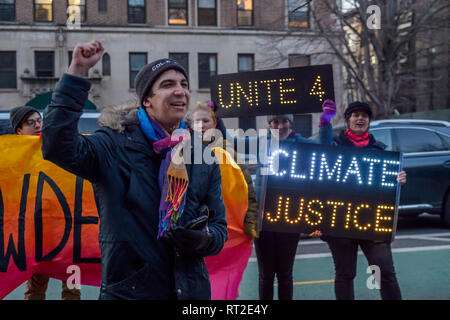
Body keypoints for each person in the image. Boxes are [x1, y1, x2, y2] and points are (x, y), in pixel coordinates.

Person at [41, 40, 227, 300]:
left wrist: (202, 238)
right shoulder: (112, 144)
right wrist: (76, 75)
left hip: (191, 293)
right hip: (130, 292)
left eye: (184, 85)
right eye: (168, 85)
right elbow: (56, 146)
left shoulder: (203, 156)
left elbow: (219, 228)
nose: (180, 91)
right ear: (147, 101)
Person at [321, 101, 406, 300]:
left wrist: (400, 180)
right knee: (345, 274)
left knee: (385, 273)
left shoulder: (381, 151)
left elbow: (389, 187)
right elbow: (321, 146)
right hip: (339, 223)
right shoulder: (333, 147)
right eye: (355, 115)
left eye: (365, 116)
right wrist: (325, 121)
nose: (360, 118)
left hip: (373, 222)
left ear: (369, 121)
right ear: (348, 120)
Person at [253, 99, 337, 300]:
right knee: (265, 276)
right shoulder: (260, 144)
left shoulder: (303, 145)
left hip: (289, 219)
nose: (280, 126)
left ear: (290, 123)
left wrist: (325, 122)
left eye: (284, 121)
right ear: (269, 124)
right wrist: (216, 121)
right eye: (275, 122)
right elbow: (229, 142)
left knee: (284, 274)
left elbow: (326, 148)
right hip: (262, 220)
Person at [9, 106, 81, 300]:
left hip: (70, 230)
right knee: (35, 289)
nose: (38, 125)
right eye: (30, 123)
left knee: (73, 288)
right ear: (19, 130)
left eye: (39, 120)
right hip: (37, 234)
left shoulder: (57, 148)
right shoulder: (13, 157)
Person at [191, 102, 258, 299]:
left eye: (206, 120)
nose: (201, 125)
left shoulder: (229, 152)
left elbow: (247, 189)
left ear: (214, 124)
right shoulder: (181, 150)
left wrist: (251, 222)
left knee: (224, 287)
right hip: (196, 231)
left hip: (227, 231)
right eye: (197, 121)